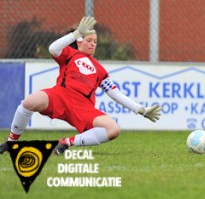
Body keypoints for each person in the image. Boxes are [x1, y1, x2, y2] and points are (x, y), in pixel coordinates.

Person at [0, 16, 161, 156]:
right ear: (79, 41)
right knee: (29, 102)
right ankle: (11, 142)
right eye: (89, 40)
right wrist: (76, 33)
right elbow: (52, 48)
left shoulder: (99, 69)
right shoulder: (70, 54)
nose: (93, 44)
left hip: (83, 107)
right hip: (60, 95)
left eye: (95, 42)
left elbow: (115, 93)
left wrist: (141, 110)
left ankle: (67, 142)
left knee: (113, 130)